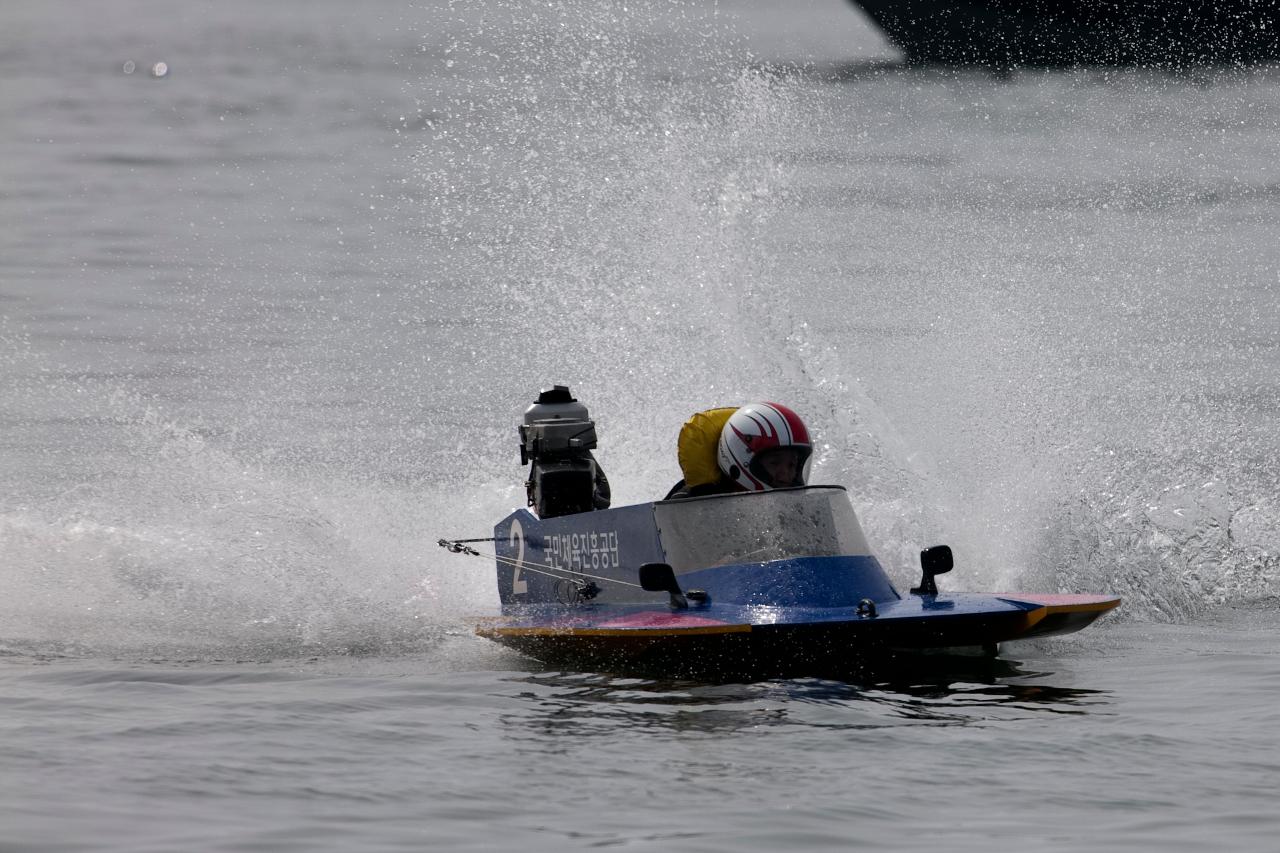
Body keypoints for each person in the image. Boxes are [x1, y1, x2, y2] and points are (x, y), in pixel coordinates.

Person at [665, 402, 812, 499]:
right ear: (741, 457)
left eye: (792, 465)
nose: (785, 477)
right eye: (774, 463)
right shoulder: (688, 505)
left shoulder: (804, 511)